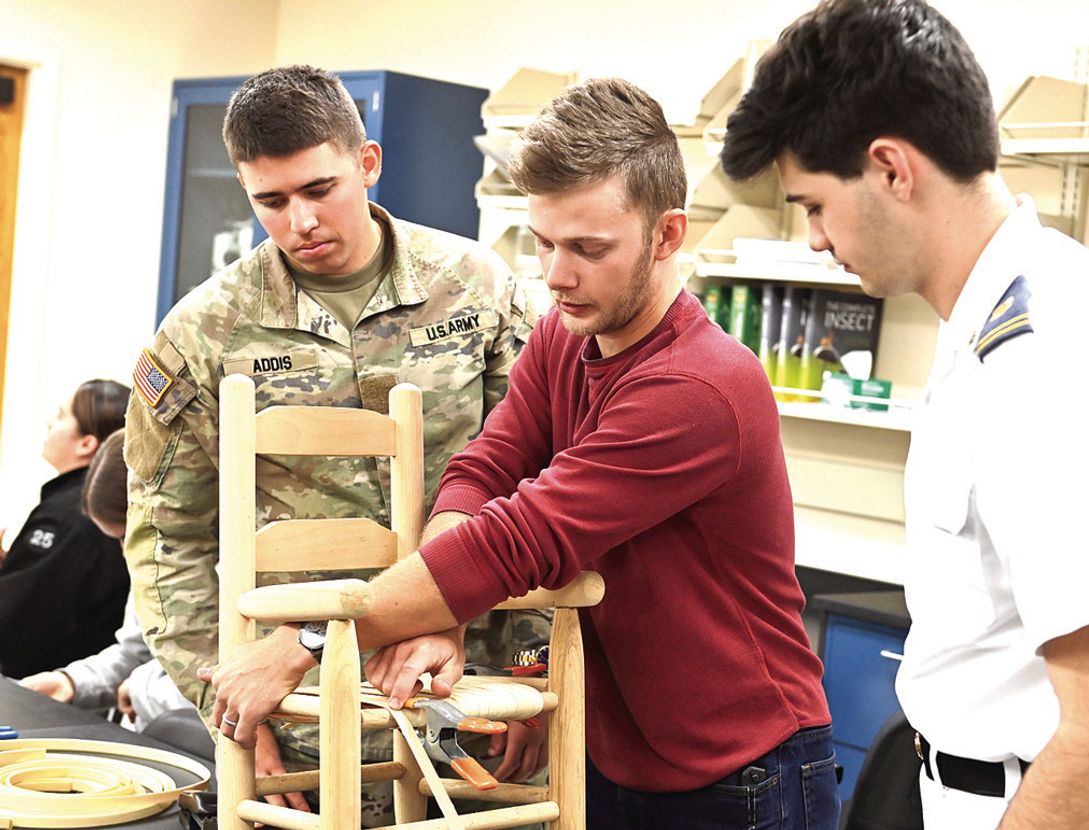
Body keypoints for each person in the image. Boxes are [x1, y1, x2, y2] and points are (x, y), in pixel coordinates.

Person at [205, 76, 839, 830]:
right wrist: (441, 616)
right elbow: (483, 472)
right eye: (543, 242)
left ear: (669, 235)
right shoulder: (564, 337)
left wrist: (306, 639)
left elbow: (522, 539)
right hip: (615, 756)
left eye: (589, 249)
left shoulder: (699, 387)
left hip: (741, 774)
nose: (556, 275)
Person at [718, 1, 1089, 827]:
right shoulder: (984, 320)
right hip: (946, 781)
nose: (812, 238)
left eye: (812, 205)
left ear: (890, 168)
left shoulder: (1041, 361)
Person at [123, 64, 541, 824]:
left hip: (467, 683)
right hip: (302, 706)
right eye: (271, 202)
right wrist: (222, 696)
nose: (299, 222)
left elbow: (541, 486)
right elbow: (164, 537)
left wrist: (530, 673)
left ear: (368, 162)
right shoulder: (204, 332)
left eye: (320, 190)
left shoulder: (476, 287)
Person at [19, 429, 196, 731]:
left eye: (129, 537)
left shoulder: (243, 571)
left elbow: (223, 685)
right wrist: (69, 682)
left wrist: (141, 686)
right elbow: (134, 653)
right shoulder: (148, 568)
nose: (126, 553)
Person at [0, 379, 130, 679]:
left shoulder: (75, 515)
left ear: (86, 443)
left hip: (41, 688)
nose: (49, 424)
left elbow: (15, 621)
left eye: (61, 416)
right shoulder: (86, 505)